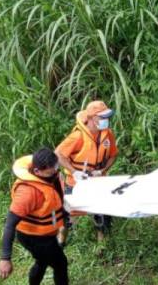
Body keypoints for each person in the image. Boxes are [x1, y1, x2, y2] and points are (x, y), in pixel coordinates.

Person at [0, 148, 68, 285]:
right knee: (60, 264)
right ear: (37, 172)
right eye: (51, 171)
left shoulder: (50, 175)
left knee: (42, 261)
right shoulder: (27, 193)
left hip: (46, 233)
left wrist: (64, 215)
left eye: (56, 168)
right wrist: (5, 258)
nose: (55, 172)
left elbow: (55, 198)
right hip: (34, 238)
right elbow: (10, 224)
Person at [55, 100, 118, 240]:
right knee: (68, 213)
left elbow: (113, 155)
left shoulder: (108, 134)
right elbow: (58, 154)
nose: (105, 120)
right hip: (75, 181)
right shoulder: (78, 136)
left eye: (107, 117)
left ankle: (102, 244)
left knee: (102, 211)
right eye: (102, 117)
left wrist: (102, 170)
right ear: (91, 118)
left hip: (97, 179)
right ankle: (60, 242)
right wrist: (74, 172)